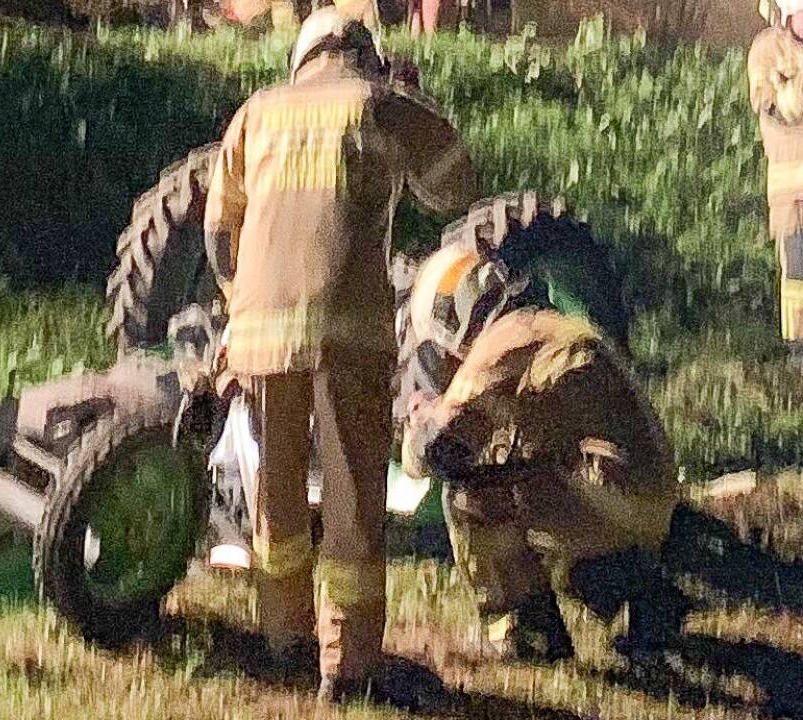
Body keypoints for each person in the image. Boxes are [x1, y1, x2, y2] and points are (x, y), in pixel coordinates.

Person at [202, 5, 478, 701]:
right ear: (364, 55)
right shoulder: (381, 104)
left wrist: (242, 300)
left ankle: (282, 640)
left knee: (277, 494)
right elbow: (456, 185)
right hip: (345, 331)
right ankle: (349, 669)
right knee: (355, 498)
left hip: (259, 336)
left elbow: (216, 230)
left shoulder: (257, 112)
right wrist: (414, 99)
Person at [399, 307, 687, 662]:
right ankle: (640, 590)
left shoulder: (494, 352)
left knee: (467, 496)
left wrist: (421, 420)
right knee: (523, 470)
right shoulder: (545, 330)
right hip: (647, 502)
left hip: (608, 497)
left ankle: (526, 631)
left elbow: (436, 454)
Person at [749, 0, 803, 367]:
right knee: (797, 274)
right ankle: (797, 349)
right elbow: (776, 107)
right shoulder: (767, 49)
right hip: (792, 193)